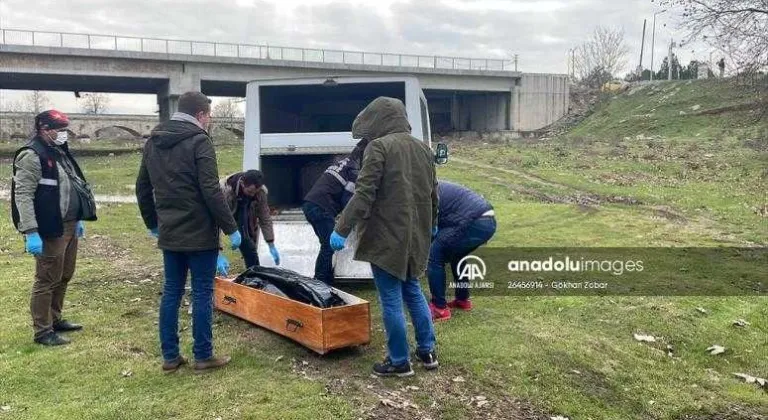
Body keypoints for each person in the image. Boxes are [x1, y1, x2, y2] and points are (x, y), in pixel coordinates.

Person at [330, 97, 439, 377]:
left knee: (390, 298)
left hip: (386, 235)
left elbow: (364, 194)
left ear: (378, 120)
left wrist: (341, 228)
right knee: (413, 291)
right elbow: (433, 194)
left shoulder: (379, 147)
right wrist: (433, 225)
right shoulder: (423, 149)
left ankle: (399, 361)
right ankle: (427, 352)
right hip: (417, 235)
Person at [136, 91, 241, 374]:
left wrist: (152, 223)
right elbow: (211, 190)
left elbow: (142, 188)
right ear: (201, 115)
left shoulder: (154, 141)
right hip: (199, 233)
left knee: (171, 291)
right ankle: (203, 355)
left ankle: (170, 357)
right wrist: (231, 227)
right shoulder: (199, 141)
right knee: (202, 292)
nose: (209, 121)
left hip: (170, 231)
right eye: (209, 116)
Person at [11, 110, 97, 346]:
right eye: (59, 130)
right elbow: (24, 195)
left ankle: (55, 318)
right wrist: (31, 231)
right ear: (44, 129)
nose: (63, 134)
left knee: (64, 274)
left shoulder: (58, 152)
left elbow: (72, 185)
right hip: (49, 228)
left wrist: (78, 217)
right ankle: (42, 331)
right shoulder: (31, 155)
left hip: (68, 225)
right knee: (46, 278)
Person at [302, 138, 370, 285]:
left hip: (310, 204)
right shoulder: (353, 171)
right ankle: (321, 282)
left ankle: (325, 277)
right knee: (328, 245)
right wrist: (357, 218)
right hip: (321, 207)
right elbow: (348, 200)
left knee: (325, 244)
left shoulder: (343, 162)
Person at [427, 181, 496, 321]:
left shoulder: (424, 192)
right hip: (488, 221)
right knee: (457, 256)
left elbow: (429, 226)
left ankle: (439, 308)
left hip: (473, 220)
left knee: (434, 256)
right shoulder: (433, 184)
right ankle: (462, 300)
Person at [217, 170, 280, 275]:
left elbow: (265, 217)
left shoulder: (260, 192)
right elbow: (215, 222)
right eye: (250, 192)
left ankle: (255, 277)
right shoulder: (223, 191)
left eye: (255, 192)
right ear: (242, 183)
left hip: (243, 214)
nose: (253, 195)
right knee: (209, 254)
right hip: (224, 212)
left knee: (250, 249)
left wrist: (270, 243)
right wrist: (217, 252)